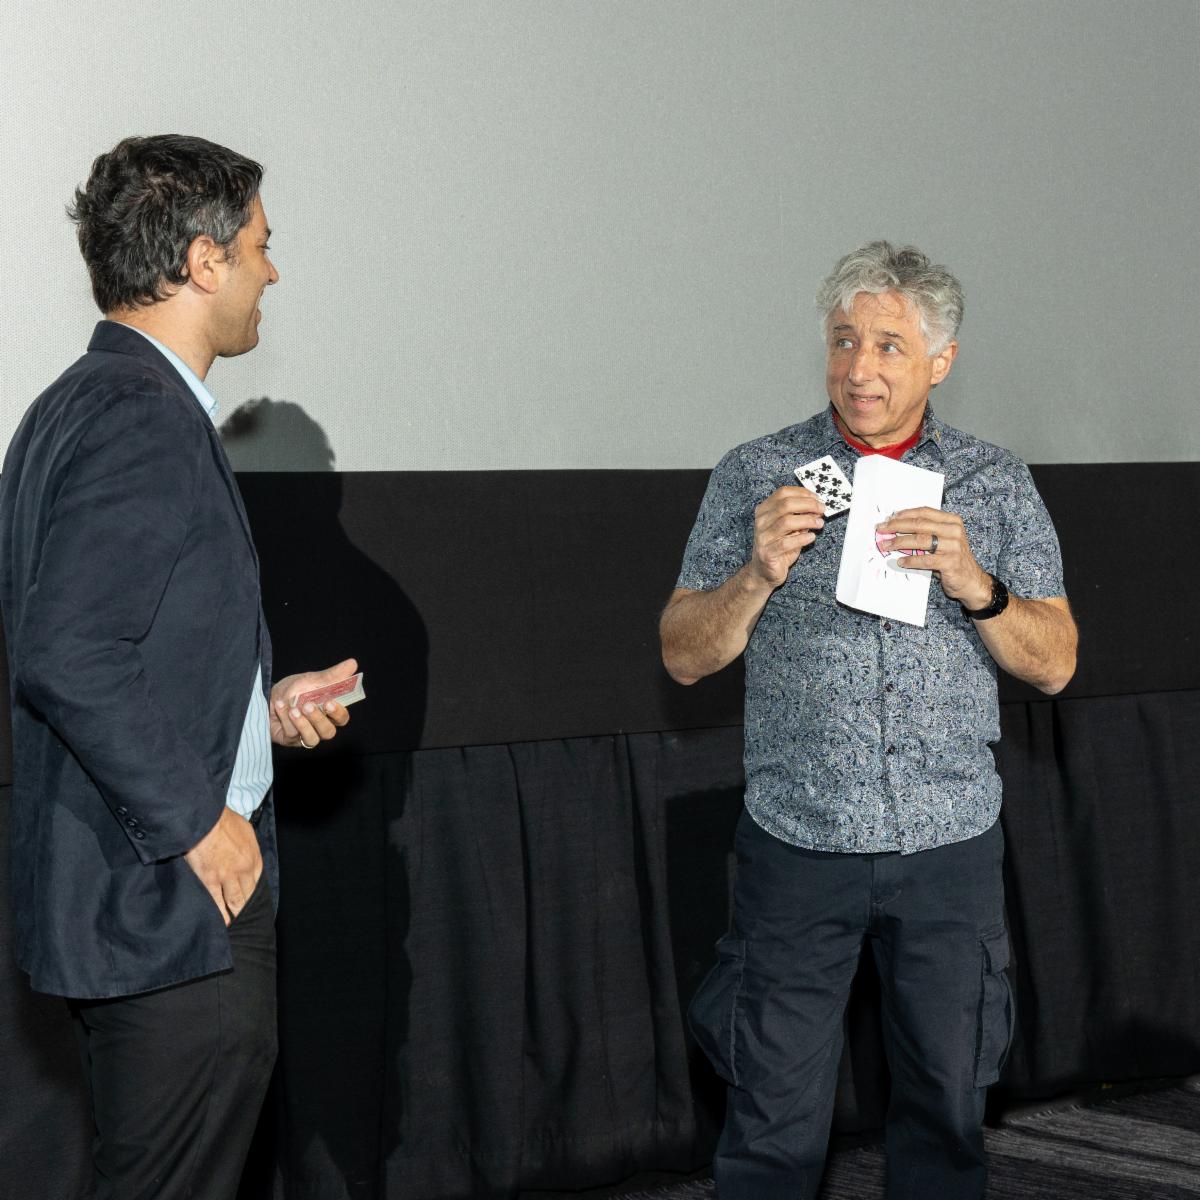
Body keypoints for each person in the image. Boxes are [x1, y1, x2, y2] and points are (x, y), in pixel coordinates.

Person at [660, 241, 1077, 1199]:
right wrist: (756, 573)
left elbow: (1056, 664)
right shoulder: (760, 472)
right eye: (844, 340)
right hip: (798, 844)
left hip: (948, 846)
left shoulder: (994, 481)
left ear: (941, 360)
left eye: (889, 345)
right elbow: (683, 654)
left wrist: (976, 583)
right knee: (770, 1124)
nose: (859, 368)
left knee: (945, 1119)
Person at [0, 135, 356, 1200]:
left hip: (129, 908)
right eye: (260, 246)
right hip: (170, 908)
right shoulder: (143, 418)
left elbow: (116, 639)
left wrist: (256, 710)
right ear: (204, 261)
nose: (271, 273)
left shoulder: (74, 403)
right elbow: (68, 650)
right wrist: (201, 820)